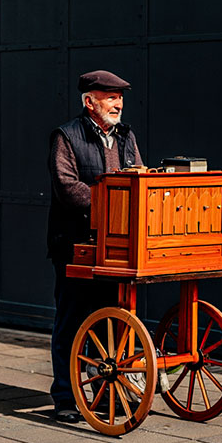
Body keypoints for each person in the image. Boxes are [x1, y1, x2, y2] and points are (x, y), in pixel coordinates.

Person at [47, 70, 143, 423]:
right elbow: (67, 187)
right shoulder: (66, 136)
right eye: (109, 97)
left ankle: (105, 393)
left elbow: (138, 178)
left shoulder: (126, 135)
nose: (117, 103)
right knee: (72, 321)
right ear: (90, 101)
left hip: (116, 245)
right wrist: (113, 202)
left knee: (107, 325)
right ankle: (66, 397)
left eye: (120, 97)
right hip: (74, 243)